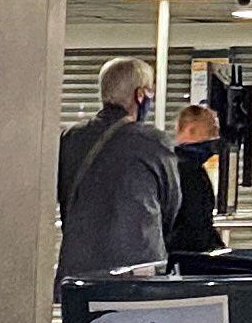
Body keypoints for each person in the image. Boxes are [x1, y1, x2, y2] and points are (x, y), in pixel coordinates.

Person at [56, 56, 175, 282]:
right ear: (140, 95)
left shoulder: (69, 138)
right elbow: (170, 205)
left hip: (78, 271)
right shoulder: (153, 142)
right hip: (136, 271)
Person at [166, 92, 228, 265]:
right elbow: (196, 224)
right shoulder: (187, 170)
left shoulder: (175, 165)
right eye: (210, 131)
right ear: (191, 129)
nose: (214, 138)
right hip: (187, 259)